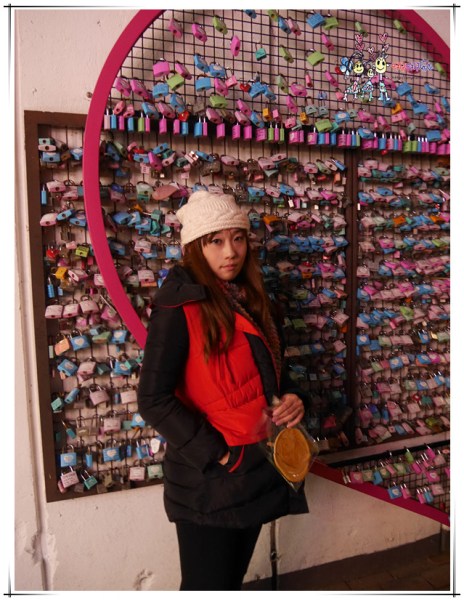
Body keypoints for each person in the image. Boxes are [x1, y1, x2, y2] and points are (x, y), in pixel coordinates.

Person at [137, 191, 308, 591]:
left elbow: (271, 375)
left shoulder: (251, 298)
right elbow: (153, 399)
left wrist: (294, 397)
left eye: (238, 238)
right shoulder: (177, 307)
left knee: (229, 583)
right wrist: (220, 455)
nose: (230, 252)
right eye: (216, 241)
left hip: (254, 470)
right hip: (210, 482)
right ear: (195, 247)